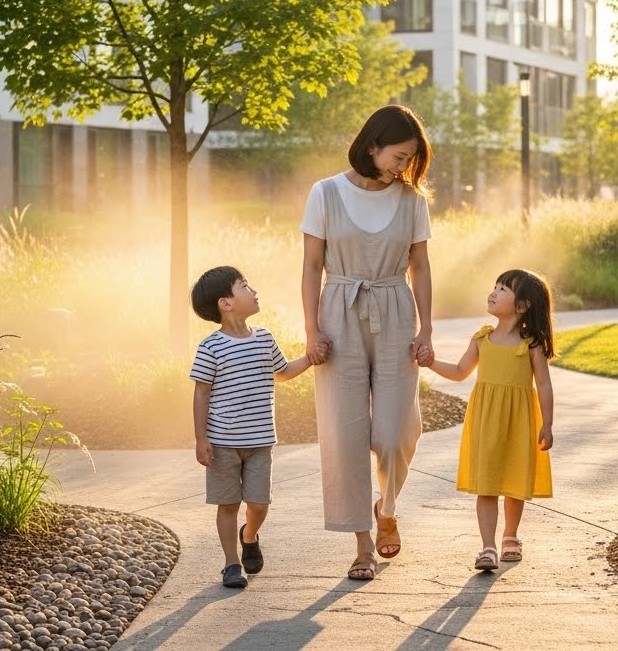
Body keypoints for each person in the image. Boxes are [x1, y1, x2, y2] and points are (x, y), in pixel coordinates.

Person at [300, 104, 435, 581]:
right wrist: (312, 330)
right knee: (346, 435)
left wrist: (427, 328)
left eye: (410, 159)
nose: (404, 167)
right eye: (399, 156)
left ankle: (386, 506)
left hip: (396, 309)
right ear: (373, 145)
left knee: (396, 434)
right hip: (338, 311)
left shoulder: (412, 201)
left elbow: (420, 267)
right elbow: (311, 267)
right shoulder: (325, 193)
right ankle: (362, 546)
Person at [420, 268, 555, 571]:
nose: (494, 292)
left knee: (515, 481)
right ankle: (488, 547)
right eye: (495, 286)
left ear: (522, 306)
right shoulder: (483, 338)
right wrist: (430, 363)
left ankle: (511, 535)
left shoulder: (531, 344)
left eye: (503, 289)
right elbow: (459, 372)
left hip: (519, 423)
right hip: (487, 422)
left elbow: (544, 384)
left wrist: (547, 423)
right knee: (488, 484)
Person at [189, 265, 313, 589]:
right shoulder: (211, 347)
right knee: (228, 504)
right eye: (244, 286)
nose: (253, 291)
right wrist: (201, 438)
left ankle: (250, 535)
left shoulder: (264, 338)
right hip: (223, 443)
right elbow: (201, 393)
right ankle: (232, 564)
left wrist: (311, 358)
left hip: (260, 442)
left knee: (259, 504)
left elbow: (282, 372)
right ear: (225, 303)